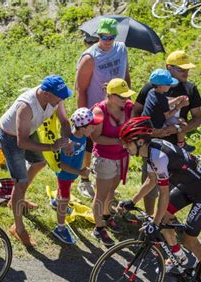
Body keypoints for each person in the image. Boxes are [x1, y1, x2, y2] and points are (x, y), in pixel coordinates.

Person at [117, 117, 201, 282]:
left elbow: (164, 195)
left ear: (139, 141)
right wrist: (132, 201)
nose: (125, 148)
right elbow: (151, 181)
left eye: (127, 144)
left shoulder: (158, 156)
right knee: (163, 218)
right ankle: (179, 257)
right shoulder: (149, 150)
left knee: (189, 240)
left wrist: (155, 223)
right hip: (186, 186)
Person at [0, 74, 73, 246]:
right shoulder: (26, 106)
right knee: (20, 181)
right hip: (11, 138)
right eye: (59, 96)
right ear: (46, 94)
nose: (62, 99)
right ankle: (18, 228)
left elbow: (64, 121)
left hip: (28, 131)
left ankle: (16, 199)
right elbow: (21, 142)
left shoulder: (56, 97)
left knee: (39, 163)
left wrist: (67, 141)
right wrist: (52, 147)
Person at [133, 50, 201, 215]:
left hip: (175, 147)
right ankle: (149, 216)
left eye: (188, 69)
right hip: (153, 143)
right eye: (181, 69)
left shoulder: (190, 88)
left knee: (172, 186)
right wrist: (145, 134)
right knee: (150, 182)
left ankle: (165, 218)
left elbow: (197, 118)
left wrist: (178, 129)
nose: (186, 73)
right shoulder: (153, 86)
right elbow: (136, 112)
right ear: (168, 68)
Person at [75, 17, 130, 199]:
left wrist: (127, 101)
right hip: (95, 108)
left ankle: (107, 183)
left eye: (110, 36)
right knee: (89, 144)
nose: (107, 40)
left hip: (116, 107)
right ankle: (84, 179)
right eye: (103, 36)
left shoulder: (121, 49)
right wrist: (82, 117)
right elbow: (80, 89)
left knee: (113, 143)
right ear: (97, 35)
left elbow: (126, 77)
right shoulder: (90, 57)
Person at [90, 78, 134, 247]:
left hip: (121, 157)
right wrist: (119, 141)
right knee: (100, 194)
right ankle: (99, 227)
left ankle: (107, 216)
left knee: (112, 190)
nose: (125, 99)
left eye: (126, 96)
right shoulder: (99, 111)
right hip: (105, 158)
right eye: (122, 97)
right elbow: (95, 138)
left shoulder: (129, 107)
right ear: (110, 95)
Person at [51, 108, 102, 245]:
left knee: (62, 193)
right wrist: (80, 172)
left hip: (71, 173)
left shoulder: (82, 135)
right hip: (65, 174)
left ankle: (56, 202)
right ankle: (60, 228)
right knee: (65, 198)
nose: (95, 127)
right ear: (83, 128)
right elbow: (62, 165)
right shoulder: (70, 143)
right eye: (92, 125)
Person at [142, 69, 189, 145]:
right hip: (155, 129)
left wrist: (177, 99)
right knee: (182, 124)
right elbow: (168, 116)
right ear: (160, 86)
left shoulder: (152, 92)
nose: (170, 85)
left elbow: (164, 105)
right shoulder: (161, 99)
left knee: (179, 121)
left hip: (145, 124)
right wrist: (180, 105)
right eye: (168, 84)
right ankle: (181, 144)